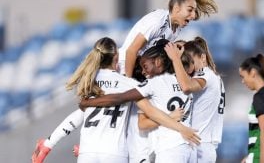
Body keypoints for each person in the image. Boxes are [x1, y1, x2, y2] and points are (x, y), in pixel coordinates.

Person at [31, 38, 200, 163]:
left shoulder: (89, 81)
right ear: (116, 58)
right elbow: (151, 113)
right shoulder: (127, 83)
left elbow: (77, 117)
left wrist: (48, 144)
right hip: (114, 153)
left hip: (87, 153)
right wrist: (180, 127)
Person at [80, 40, 198, 163]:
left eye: (145, 66)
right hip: (191, 144)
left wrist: (88, 103)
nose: (143, 71)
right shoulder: (188, 82)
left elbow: (120, 98)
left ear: (157, 62)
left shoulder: (153, 84)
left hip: (170, 148)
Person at [119, 0, 218, 77]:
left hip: (142, 70)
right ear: (176, 8)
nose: (194, 15)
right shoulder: (158, 21)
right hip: (125, 66)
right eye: (190, 10)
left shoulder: (176, 28)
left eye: (195, 11)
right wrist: (128, 82)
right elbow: (131, 51)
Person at [164, 36, 225, 163]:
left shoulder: (205, 74)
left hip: (200, 144)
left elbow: (186, 87)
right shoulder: (213, 76)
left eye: (191, 60)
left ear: (202, 57)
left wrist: (175, 59)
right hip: (203, 144)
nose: (188, 64)